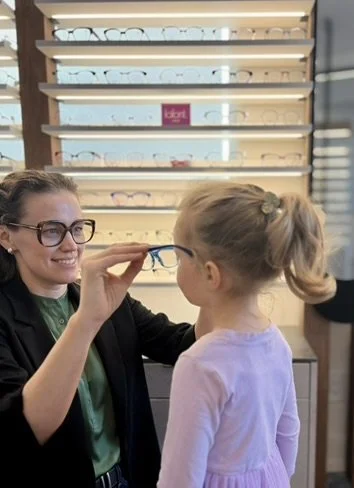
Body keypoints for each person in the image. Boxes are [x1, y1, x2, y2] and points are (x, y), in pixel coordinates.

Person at [0, 169, 200, 488]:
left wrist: (223, 285)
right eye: (52, 231)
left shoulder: (107, 299)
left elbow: (182, 343)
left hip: (126, 478)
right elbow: (23, 428)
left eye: (77, 229)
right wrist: (86, 321)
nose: (71, 245)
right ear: (6, 236)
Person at [156, 181, 337, 488]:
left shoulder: (199, 363)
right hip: (271, 475)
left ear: (211, 273)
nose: (177, 267)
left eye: (179, 256)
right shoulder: (275, 340)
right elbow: (288, 429)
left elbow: (179, 476)